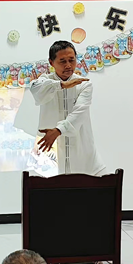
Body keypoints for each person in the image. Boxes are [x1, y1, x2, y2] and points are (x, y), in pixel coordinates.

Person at [30, 40, 107, 175]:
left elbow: (79, 114)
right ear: (51, 62)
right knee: (49, 185)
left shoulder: (84, 84)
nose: (68, 65)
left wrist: (58, 130)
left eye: (71, 60)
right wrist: (61, 85)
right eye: (62, 61)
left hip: (82, 151)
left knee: (98, 184)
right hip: (50, 149)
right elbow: (36, 89)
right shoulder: (45, 82)